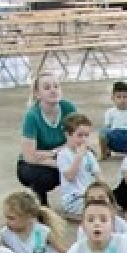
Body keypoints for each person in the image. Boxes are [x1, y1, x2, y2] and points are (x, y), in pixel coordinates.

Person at [16, 73, 77, 203]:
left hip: (58, 155)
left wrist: (61, 156)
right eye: (47, 87)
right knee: (42, 176)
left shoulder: (69, 108)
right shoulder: (32, 116)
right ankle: (41, 204)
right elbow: (29, 156)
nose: (53, 90)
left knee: (88, 158)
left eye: (56, 86)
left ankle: (78, 199)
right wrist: (59, 160)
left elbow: (79, 140)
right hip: (34, 163)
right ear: (37, 94)